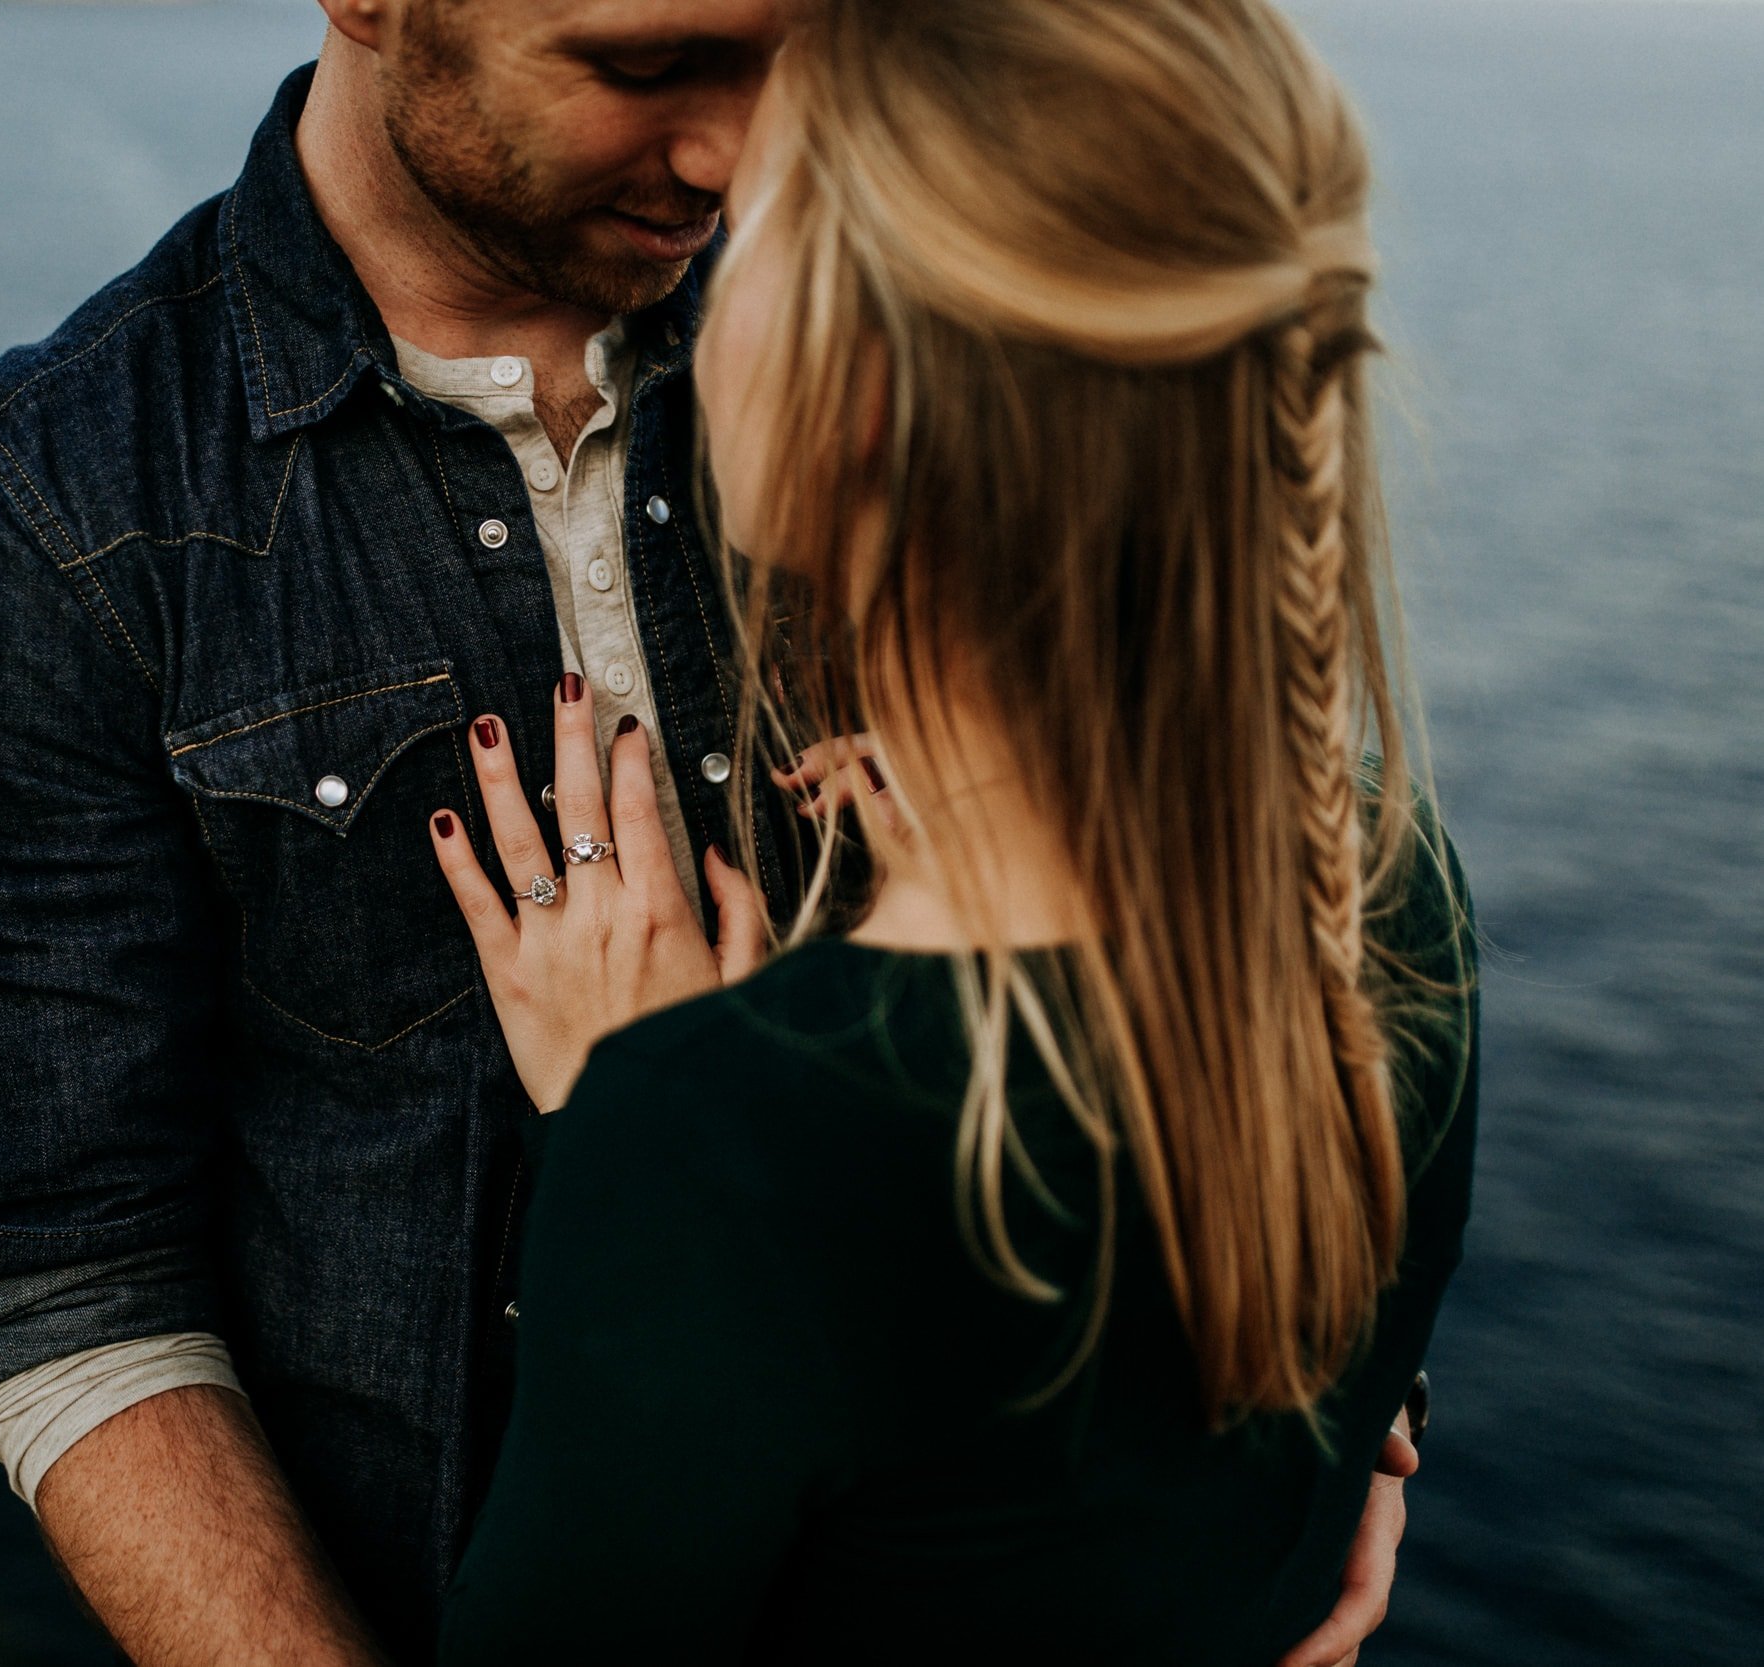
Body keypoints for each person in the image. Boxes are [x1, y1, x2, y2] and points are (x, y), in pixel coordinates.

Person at [0, 1, 1423, 1661]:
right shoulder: (38, 521)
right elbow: (67, 1279)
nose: (739, 156)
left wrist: (1292, 1433)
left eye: (798, 53)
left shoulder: (897, 341)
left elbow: (1231, 867)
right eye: (647, 68)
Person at [429, 0, 1475, 1660]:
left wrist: (623, 1108)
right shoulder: (1386, 879)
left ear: (859, 389)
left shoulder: (713, 1140)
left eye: (767, 225)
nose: (710, 253)